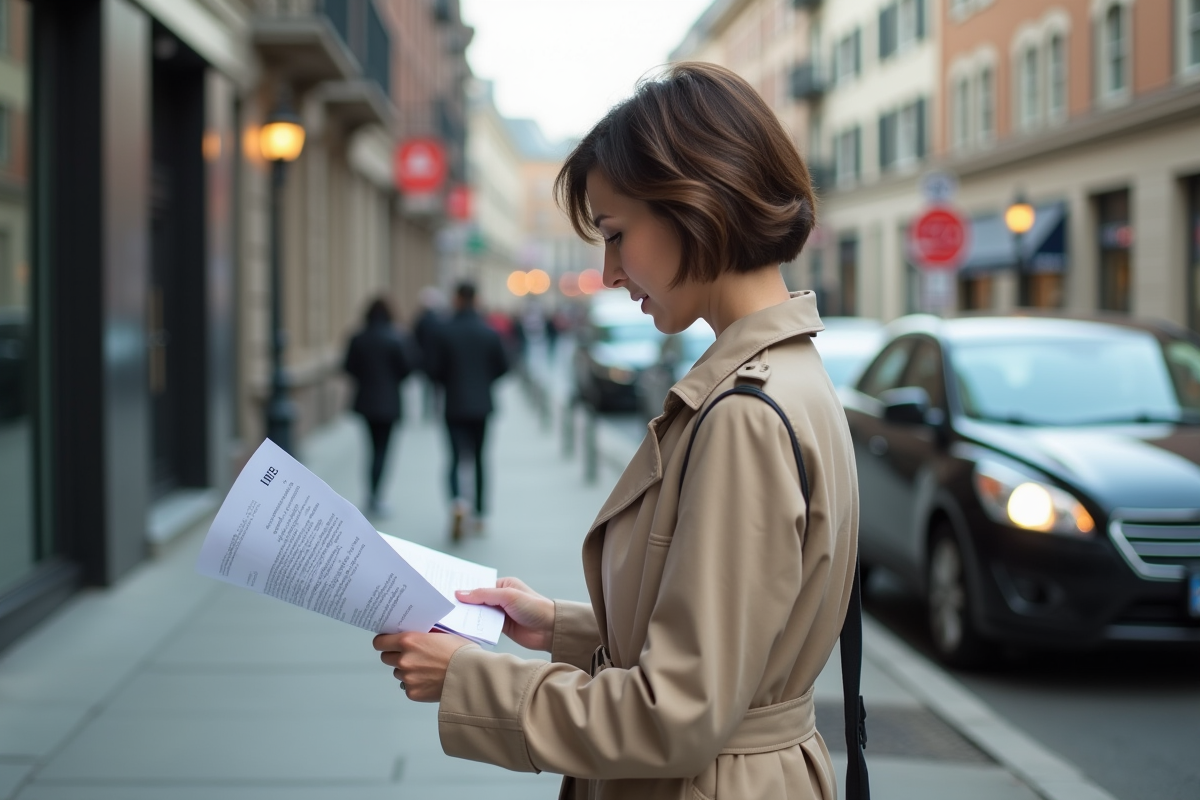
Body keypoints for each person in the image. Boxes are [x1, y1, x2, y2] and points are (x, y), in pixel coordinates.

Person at [373, 63, 859, 800]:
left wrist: (470, 681)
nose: (607, 271)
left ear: (694, 204)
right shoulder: (790, 372)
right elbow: (733, 649)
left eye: (616, 233)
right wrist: (558, 627)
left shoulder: (743, 416)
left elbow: (675, 716)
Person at [424, 282, 509, 541]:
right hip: (482, 405)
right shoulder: (489, 332)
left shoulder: (445, 331)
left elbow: (432, 369)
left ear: (458, 299)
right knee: (480, 459)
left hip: (454, 404)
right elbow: (504, 366)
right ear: (477, 298)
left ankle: (458, 503)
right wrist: (483, 381)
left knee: (454, 458)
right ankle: (481, 514)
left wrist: (451, 381)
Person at [342, 297, 415, 517]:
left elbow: (348, 367)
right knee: (383, 450)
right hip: (389, 402)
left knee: (370, 448)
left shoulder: (358, 338)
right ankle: (377, 495)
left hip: (366, 402)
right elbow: (408, 368)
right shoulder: (396, 338)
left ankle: (371, 494)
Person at [412, 286, 446, 420]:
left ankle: (426, 410)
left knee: (426, 386)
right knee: (437, 386)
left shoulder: (421, 320)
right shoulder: (440, 320)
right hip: (436, 357)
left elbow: (414, 339)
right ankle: (436, 409)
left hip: (424, 357)